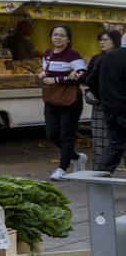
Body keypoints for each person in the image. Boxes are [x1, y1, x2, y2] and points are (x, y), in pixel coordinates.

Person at [42, 24, 89, 174]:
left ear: (68, 39)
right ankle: (76, 157)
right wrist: (42, 74)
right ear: (51, 37)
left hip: (70, 100)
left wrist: (58, 80)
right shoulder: (48, 53)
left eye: (62, 35)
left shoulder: (73, 55)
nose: (58, 37)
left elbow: (83, 75)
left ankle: (62, 168)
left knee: (66, 134)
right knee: (52, 133)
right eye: (55, 34)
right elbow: (47, 73)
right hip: (52, 99)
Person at [88, 35, 126, 174]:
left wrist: (103, 98)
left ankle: (99, 178)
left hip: (110, 109)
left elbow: (91, 80)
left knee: (115, 145)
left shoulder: (105, 57)